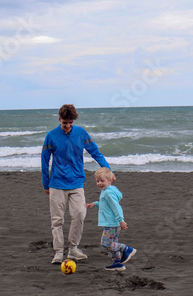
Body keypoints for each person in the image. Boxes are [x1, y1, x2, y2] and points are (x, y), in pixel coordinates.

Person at [41, 104, 113, 264]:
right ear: (59, 119)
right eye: (64, 123)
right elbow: (44, 161)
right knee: (57, 220)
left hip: (76, 183)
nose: (67, 126)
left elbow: (95, 152)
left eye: (70, 123)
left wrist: (108, 171)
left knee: (79, 214)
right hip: (57, 184)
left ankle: (73, 249)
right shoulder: (51, 136)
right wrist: (46, 185)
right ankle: (58, 252)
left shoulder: (81, 133)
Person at [86, 167, 136, 271]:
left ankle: (127, 249)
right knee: (113, 244)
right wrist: (95, 204)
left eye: (102, 181)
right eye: (98, 181)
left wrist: (121, 220)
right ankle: (117, 263)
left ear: (110, 180)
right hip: (113, 223)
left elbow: (116, 207)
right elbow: (106, 206)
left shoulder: (108, 193)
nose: (99, 183)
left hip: (112, 224)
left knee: (106, 244)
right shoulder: (109, 190)